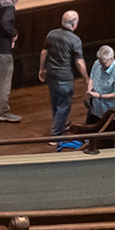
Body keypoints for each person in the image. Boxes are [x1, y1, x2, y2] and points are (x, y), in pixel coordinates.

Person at [41, 10, 87, 141]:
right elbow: (79, 61)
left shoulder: (51, 34)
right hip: (64, 77)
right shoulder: (75, 40)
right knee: (64, 105)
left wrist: (41, 69)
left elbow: (44, 53)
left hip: (51, 74)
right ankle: (56, 135)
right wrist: (86, 77)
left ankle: (60, 126)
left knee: (55, 102)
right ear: (73, 24)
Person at [82, 45, 115, 154]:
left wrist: (100, 96)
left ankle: (107, 153)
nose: (101, 64)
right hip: (95, 103)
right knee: (90, 126)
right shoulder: (98, 63)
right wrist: (89, 90)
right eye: (100, 61)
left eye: (104, 62)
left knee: (107, 134)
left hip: (109, 108)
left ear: (111, 59)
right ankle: (88, 145)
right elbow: (92, 77)